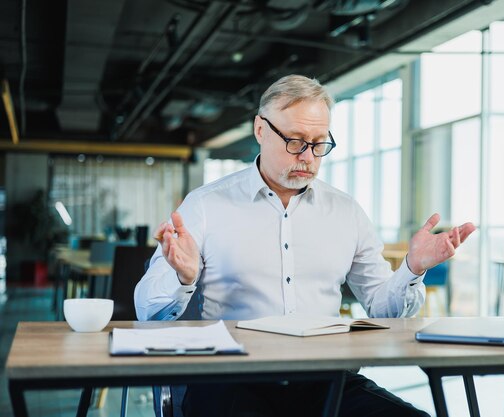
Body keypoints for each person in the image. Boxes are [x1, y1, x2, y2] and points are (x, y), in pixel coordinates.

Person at [135, 74, 476, 417]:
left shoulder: (346, 212)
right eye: (295, 141)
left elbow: (383, 313)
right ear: (260, 130)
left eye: (318, 143)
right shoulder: (205, 206)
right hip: (231, 379)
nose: (308, 157)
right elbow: (147, 312)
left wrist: (412, 269)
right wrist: (184, 278)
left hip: (325, 380)